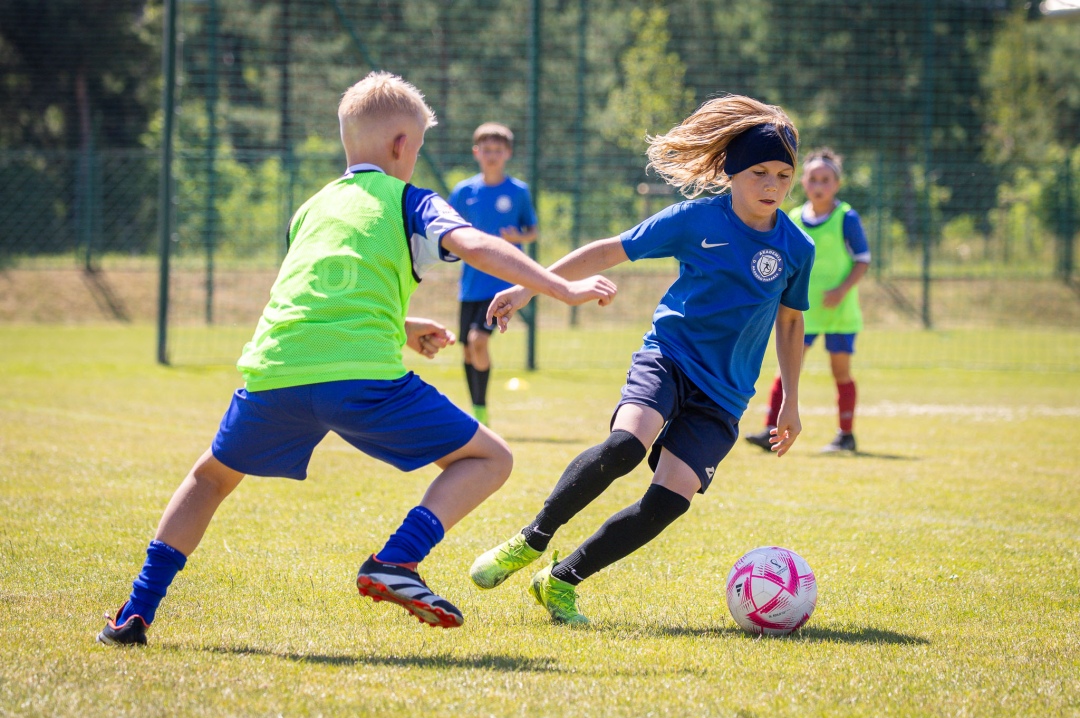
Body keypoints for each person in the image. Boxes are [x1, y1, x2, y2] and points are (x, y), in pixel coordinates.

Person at [97, 71, 616, 645]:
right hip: (364, 381)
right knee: (489, 459)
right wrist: (558, 287)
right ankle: (398, 559)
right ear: (401, 145)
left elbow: (319, 302)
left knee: (209, 479)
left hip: (277, 373)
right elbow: (475, 244)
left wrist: (403, 325)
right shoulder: (409, 199)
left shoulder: (311, 209)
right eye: (416, 148)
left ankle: (134, 614)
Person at [468, 95, 815, 624]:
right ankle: (531, 540)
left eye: (783, 175)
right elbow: (611, 249)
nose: (771, 186)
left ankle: (561, 581)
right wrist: (528, 289)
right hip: (669, 357)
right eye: (759, 172)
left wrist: (790, 401)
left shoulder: (797, 247)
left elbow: (790, 322)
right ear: (731, 171)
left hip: (725, 394)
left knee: (668, 502)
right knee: (626, 445)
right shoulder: (696, 218)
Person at [744, 148, 869, 454]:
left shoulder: (846, 217)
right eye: (813, 179)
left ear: (836, 184)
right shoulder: (794, 218)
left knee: (840, 371)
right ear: (803, 183)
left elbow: (862, 260)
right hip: (801, 311)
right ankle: (771, 429)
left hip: (839, 312)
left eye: (826, 179)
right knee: (787, 369)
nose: (819, 185)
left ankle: (846, 435)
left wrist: (841, 290)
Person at [449, 123, 538, 426]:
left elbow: (533, 231)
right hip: (471, 285)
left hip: (503, 283)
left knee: (478, 341)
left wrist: (518, 237)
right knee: (467, 350)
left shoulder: (518, 192)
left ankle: (482, 414)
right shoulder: (464, 192)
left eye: (497, 150)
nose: (491, 155)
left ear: (507, 154)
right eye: (486, 150)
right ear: (477, 153)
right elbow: (448, 228)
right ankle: (477, 411)